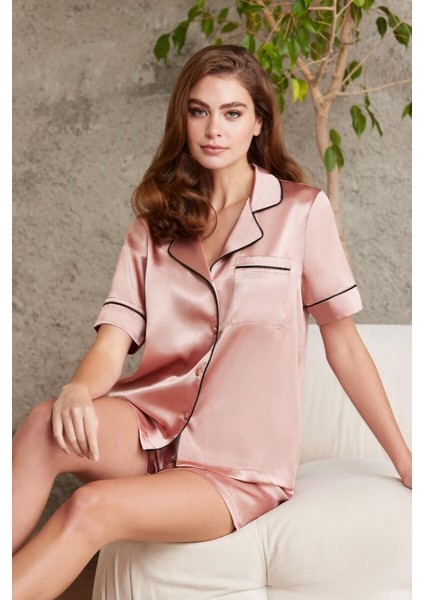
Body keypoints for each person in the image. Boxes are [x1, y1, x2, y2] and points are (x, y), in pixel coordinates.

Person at [12, 44, 412, 599]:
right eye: (199, 111)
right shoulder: (154, 225)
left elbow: (342, 345)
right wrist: (78, 388)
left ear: (258, 123)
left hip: (236, 465)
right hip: (150, 429)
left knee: (90, 507)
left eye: (232, 112)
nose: (213, 128)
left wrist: (405, 459)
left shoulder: (301, 212)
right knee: (42, 423)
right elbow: (113, 342)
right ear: (183, 118)